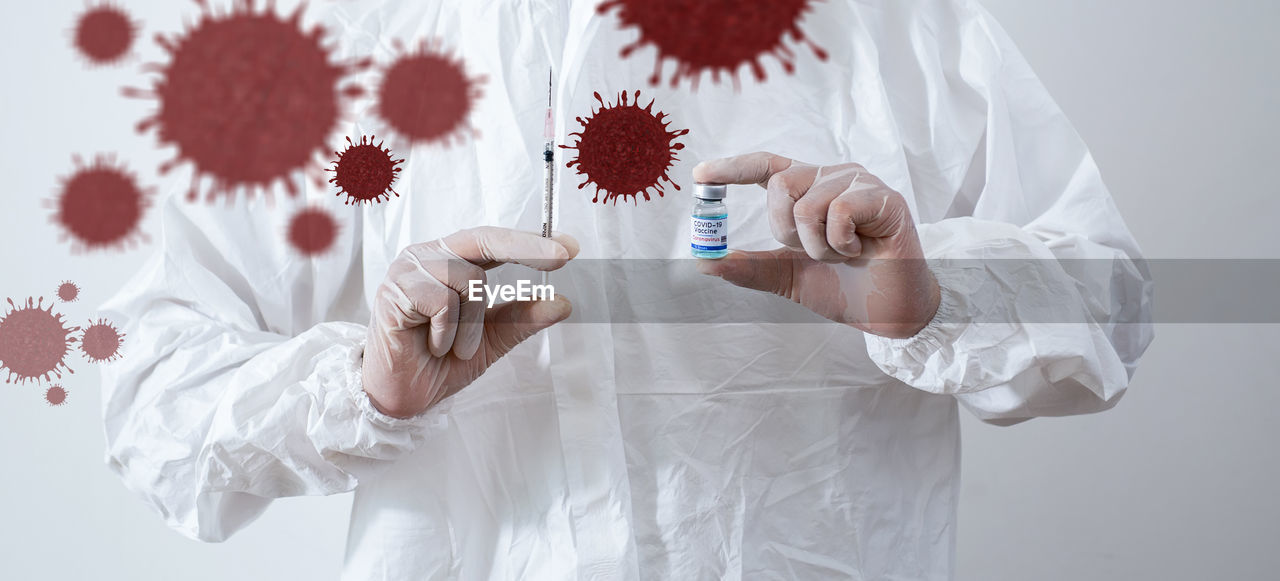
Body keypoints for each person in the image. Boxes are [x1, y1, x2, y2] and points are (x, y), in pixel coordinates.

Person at [100, 0, 1153, 579]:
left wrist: (930, 300)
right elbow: (151, 387)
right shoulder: (351, 46)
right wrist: (360, 388)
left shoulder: (881, 27)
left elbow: (1108, 297)